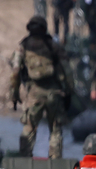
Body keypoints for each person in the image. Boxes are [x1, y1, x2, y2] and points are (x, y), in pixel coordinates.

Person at [9, 14, 72, 159]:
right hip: (53, 92)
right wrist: (69, 91)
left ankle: (24, 161)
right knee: (55, 130)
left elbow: (15, 72)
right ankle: (55, 163)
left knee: (29, 128)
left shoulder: (23, 46)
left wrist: (14, 94)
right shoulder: (53, 46)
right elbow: (67, 70)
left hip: (34, 93)